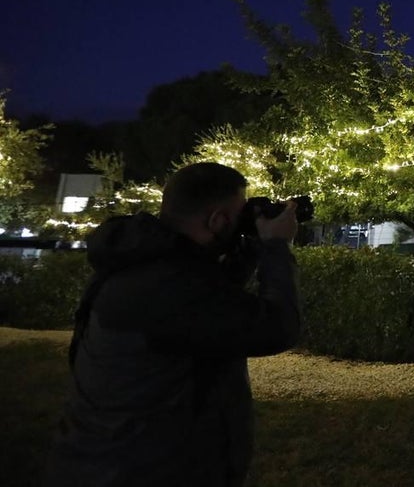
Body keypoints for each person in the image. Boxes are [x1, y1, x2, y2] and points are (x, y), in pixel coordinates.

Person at [44, 162, 300, 487]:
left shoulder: (143, 261)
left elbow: (211, 300)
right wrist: (277, 247)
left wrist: (248, 248)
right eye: (237, 216)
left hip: (101, 461)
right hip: (146, 471)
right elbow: (278, 327)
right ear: (217, 220)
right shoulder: (172, 286)